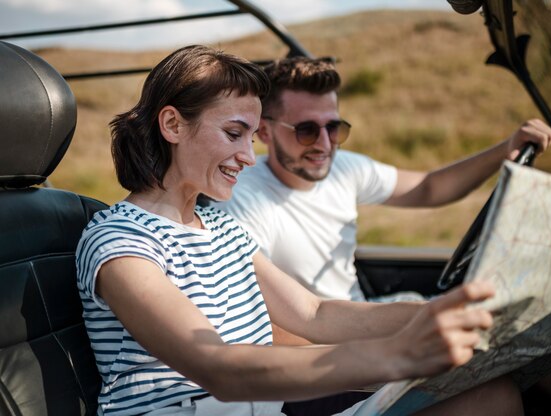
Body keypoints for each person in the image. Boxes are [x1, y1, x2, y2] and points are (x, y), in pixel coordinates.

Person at [76, 45, 523, 416]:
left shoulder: (218, 227)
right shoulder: (120, 239)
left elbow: (314, 314)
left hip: (264, 408)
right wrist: (398, 355)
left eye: (250, 138)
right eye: (234, 133)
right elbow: (218, 368)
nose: (248, 157)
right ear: (172, 124)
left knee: (491, 395)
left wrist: (445, 316)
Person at [212, 57, 551, 306]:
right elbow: (267, 321)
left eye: (334, 127)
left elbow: (428, 188)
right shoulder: (243, 197)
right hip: (324, 354)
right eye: (306, 130)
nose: (325, 143)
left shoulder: (344, 168)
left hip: (363, 322)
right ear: (266, 133)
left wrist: (505, 150)